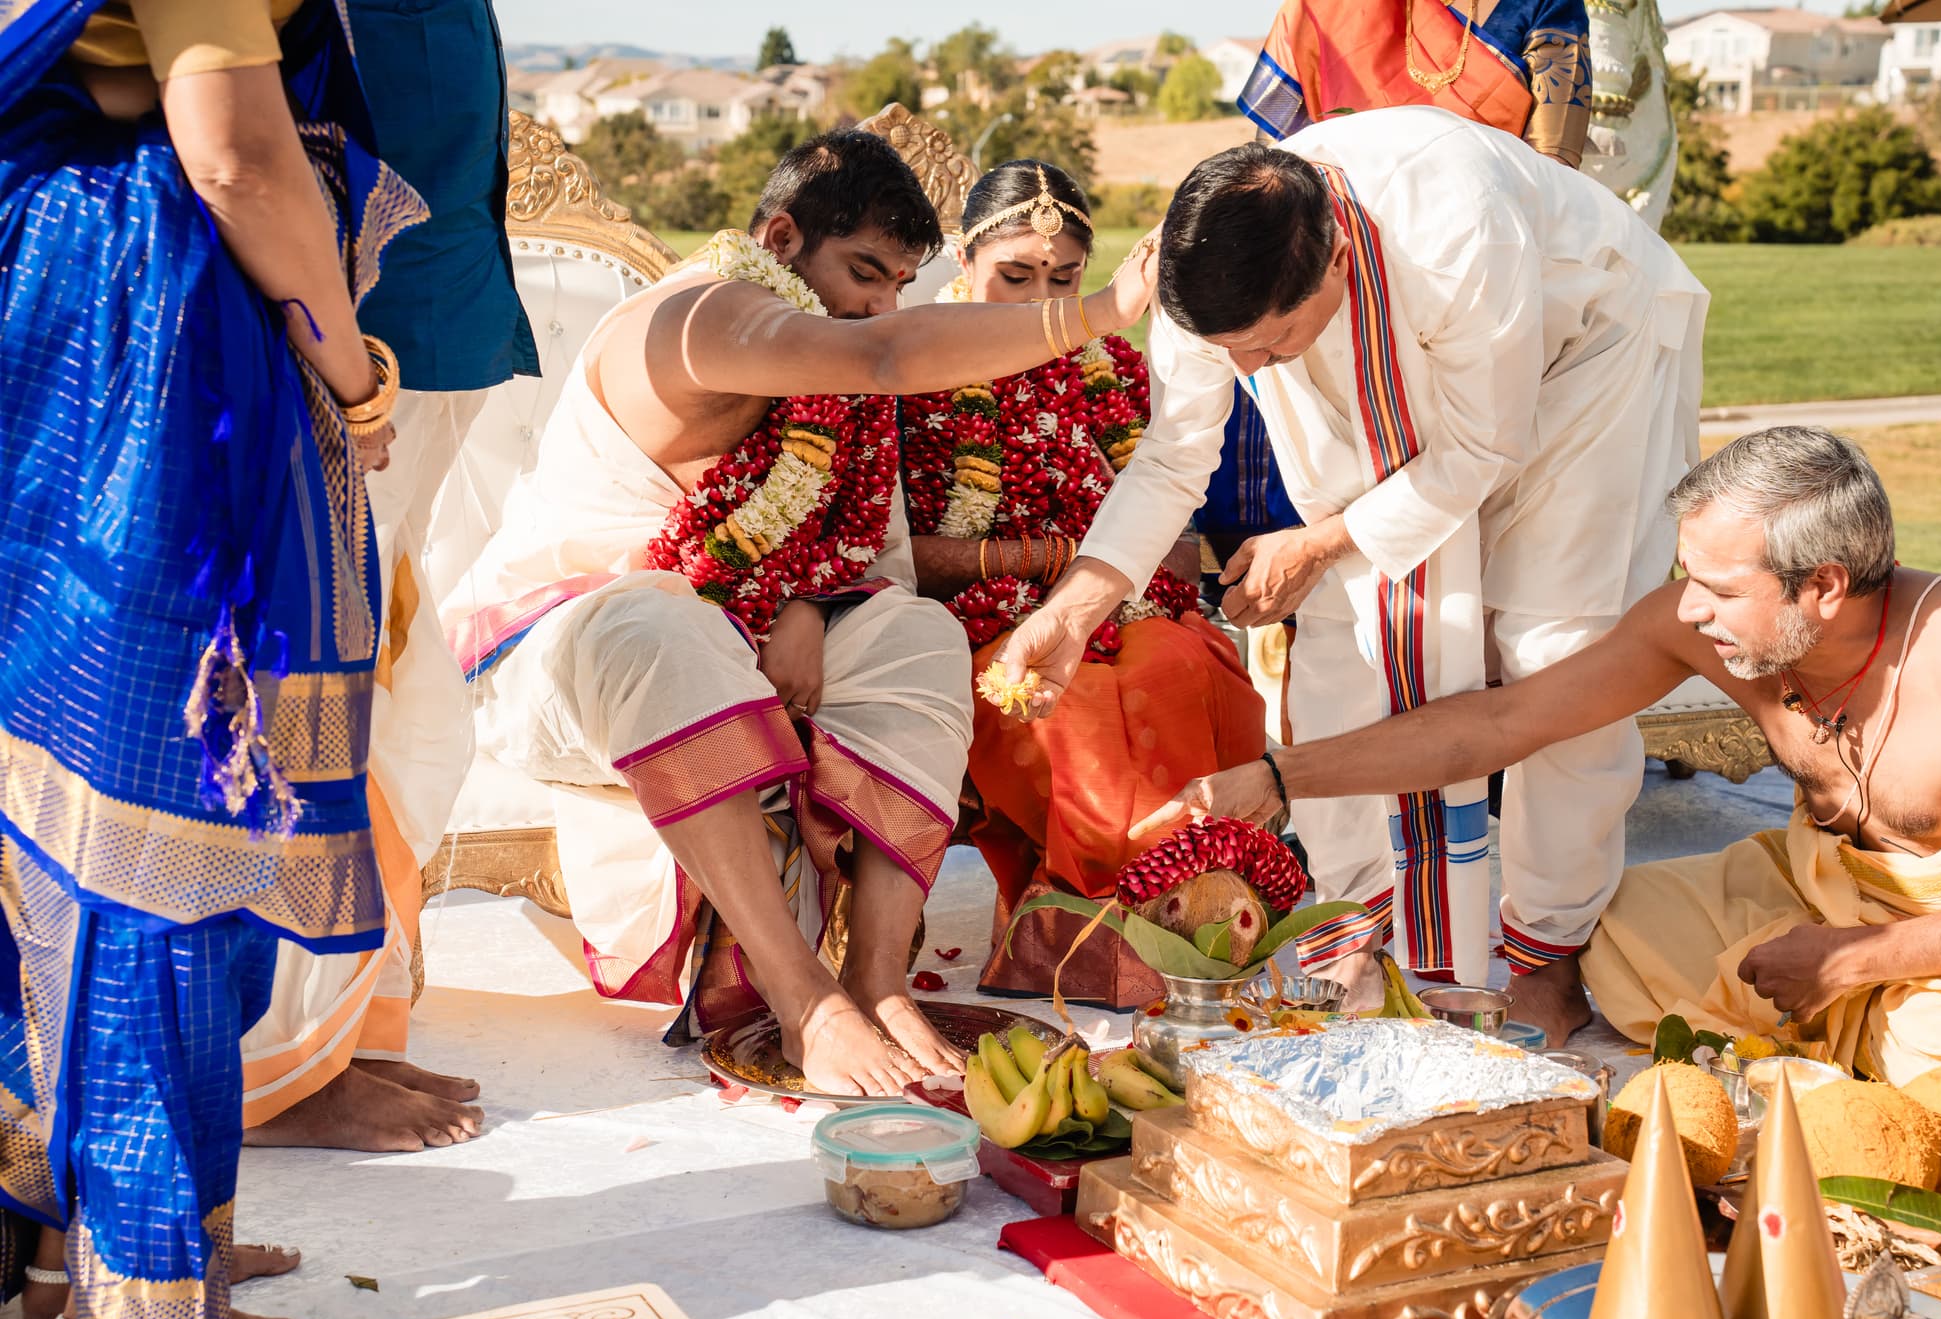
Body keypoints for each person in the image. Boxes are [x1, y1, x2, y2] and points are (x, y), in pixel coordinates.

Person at [448, 130, 1156, 1097]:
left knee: (920, 635)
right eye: (865, 272)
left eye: (899, 282)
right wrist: (1109, 309)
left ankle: (875, 973)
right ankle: (806, 999)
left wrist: (809, 602)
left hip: (747, 631)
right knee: (661, 624)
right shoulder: (697, 323)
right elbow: (884, 354)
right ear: (780, 238)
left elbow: (870, 548)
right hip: (564, 653)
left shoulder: (831, 370)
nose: (877, 304)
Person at [995, 108, 1707, 1042]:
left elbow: (1481, 449)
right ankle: (1356, 944)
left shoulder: (1454, 228)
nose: (1247, 372)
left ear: (1333, 264)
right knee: (1340, 627)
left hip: (1588, 358)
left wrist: (1323, 537)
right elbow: (1174, 458)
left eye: (1267, 347)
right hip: (1416, 375)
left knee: (1556, 650)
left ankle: (1546, 959)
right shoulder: (1201, 261)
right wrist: (1076, 609)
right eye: (1229, 353)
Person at [1135, 427, 1941, 1100]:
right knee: (1609, 937)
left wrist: (1859, 958)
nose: (1689, 611)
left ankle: (1869, 1031)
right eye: (1688, 575)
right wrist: (1282, 776)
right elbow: (1502, 723)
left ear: (1824, 586)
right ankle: (1866, 1043)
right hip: (1823, 888)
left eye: (1722, 590)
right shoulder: (1698, 626)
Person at [0, 0, 417, 1319]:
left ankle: (76, 1235)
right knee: (156, 846)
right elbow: (235, 150)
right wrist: (355, 382)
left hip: (60, 300)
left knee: (53, 815)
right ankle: (142, 1316)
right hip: (144, 342)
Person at [243, 0, 532, 1155]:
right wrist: (346, 374)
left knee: (404, 700)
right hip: (348, 354)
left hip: (441, 336)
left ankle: (352, 1029)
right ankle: (282, 1061)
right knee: (316, 708)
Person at [902, 160, 1267, 1008]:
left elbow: (1170, 522)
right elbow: (890, 553)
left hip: (1124, 602)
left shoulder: (1108, 364)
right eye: (1015, 277)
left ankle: (1186, 919)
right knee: (1079, 712)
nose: (1041, 301)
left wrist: (1106, 576)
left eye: (1064, 279)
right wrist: (1044, 561)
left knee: (1177, 668)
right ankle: (1118, 944)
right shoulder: (916, 366)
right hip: (977, 625)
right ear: (962, 259)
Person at [1238, 0, 1592, 167]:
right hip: (1344, 255)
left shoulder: (1546, 5)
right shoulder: (1320, 10)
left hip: (1492, 247)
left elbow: (1553, 170)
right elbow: (1275, 165)